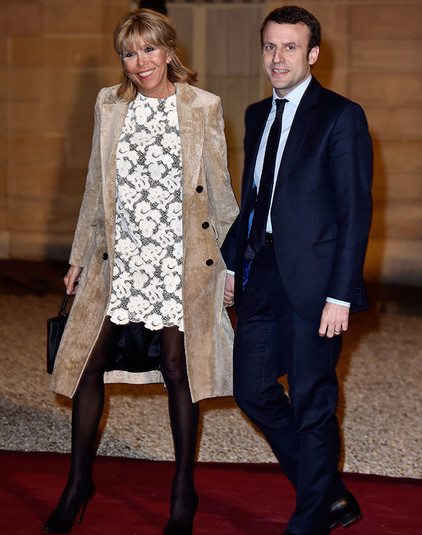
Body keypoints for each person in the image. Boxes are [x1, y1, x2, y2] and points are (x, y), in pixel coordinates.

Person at [45, 8, 238, 535]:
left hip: (178, 260)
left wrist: (233, 265)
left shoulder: (202, 106)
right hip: (120, 257)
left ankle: (183, 489)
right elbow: (95, 185)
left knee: (178, 368)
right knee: (86, 361)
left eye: (149, 49)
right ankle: (78, 483)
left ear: (170, 50)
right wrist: (78, 257)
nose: (140, 62)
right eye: (129, 53)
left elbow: (219, 189)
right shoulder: (109, 104)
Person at [222, 6, 373, 535]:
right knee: (251, 390)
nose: (278, 57)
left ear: (313, 54)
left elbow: (355, 211)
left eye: (290, 47)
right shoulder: (255, 115)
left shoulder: (340, 116)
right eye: (270, 46)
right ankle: (330, 493)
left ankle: (310, 519)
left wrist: (341, 294)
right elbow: (253, 199)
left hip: (317, 281)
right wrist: (232, 262)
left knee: (312, 401)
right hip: (261, 270)